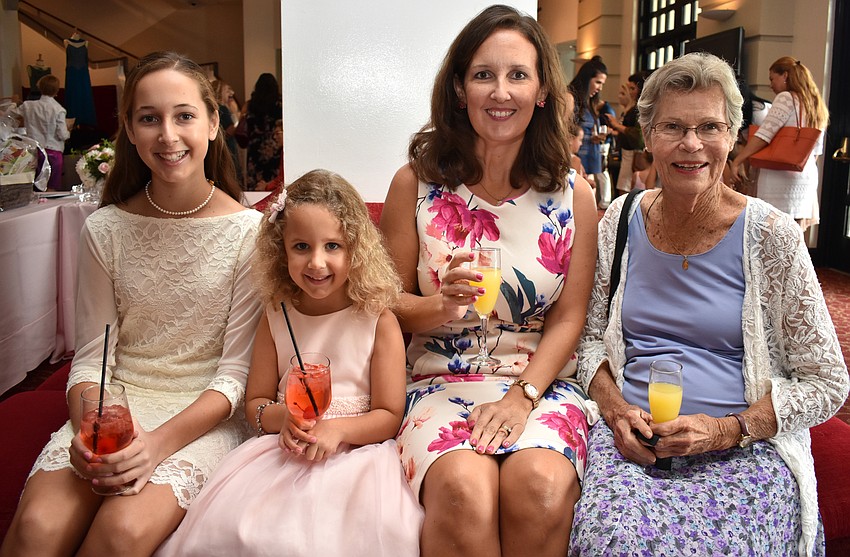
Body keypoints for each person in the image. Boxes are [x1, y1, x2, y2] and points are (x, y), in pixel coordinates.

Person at [570, 52, 848, 557]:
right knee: (614, 541)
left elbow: (828, 382)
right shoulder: (618, 221)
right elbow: (589, 341)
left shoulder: (772, 237)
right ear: (648, 135)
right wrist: (615, 412)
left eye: (709, 127)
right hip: (634, 448)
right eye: (673, 126)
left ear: (733, 136)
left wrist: (727, 430)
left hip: (743, 451)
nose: (691, 144)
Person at [0, 51, 263, 557]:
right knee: (37, 527)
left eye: (184, 115)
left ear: (213, 123)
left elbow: (234, 375)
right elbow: (91, 360)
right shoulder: (105, 229)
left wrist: (156, 444)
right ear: (129, 129)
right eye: (150, 118)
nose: (167, 135)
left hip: (202, 413)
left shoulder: (249, 234)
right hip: (116, 405)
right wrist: (91, 427)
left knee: (121, 532)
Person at [381, 6, 598, 556]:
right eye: (483, 75)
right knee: (462, 491)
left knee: (541, 488)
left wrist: (524, 396)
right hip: (438, 380)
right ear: (460, 89)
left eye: (518, 75)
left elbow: (571, 315)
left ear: (542, 91)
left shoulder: (574, 195)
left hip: (540, 383)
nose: (500, 92)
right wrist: (438, 307)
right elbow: (384, 303)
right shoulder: (415, 184)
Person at [156, 169, 423, 556]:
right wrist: (283, 419)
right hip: (281, 456)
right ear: (281, 249)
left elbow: (388, 414)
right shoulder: (276, 315)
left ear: (356, 249)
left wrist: (336, 431)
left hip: (357, 460)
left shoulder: (378, 319)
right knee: (251, 533)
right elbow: (256, 403)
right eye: (301, 246)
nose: (317, 262)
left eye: (333, 246)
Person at [730, 57, 829, 232]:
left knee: (770, 232)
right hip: (805, 176)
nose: (770, 84)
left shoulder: (786, 98)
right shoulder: (815, 103)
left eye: (772, 78)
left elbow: (764, 134)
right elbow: (816, 150)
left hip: (779, 177)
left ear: (785, 75)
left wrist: (739, 160)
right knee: (793, 237)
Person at [10, 74, 71, 191]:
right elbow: (62, 134)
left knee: (34, 189)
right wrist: (68, 132)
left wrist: (14, 102)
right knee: (51, 189)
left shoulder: (28, 106)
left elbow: (11, 114)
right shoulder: (59, 109)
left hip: (34, 151)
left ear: (40, 88)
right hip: (53, 151)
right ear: (56, 90)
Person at [569, 55, 608, 207]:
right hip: (575, 163)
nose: (600, 88)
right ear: (587, 78)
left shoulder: (589, 104)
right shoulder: (571, 99)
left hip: (586, 162)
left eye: (602, 83)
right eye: (598, 82)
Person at [607, 71, 649, 197]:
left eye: (632, 88)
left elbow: (638, 136)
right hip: (626, 153)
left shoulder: (640, 109)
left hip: (632, 154)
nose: (630, 92)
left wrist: (616, 125)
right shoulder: (634, 107)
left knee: (625, 190)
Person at [242, 73, 282, 190]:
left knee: (255, 183)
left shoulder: (250, 105)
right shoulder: (279, 104)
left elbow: (244, 124)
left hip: (255, 148)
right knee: (273, 183)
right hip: (274, 147)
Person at [212, 79, 242, 184]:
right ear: (220, 92)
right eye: (227, 90)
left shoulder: (214, 108)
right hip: (228, 145)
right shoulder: (223, 108)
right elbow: (230, 130)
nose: (230, 93)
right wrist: (240, 118)